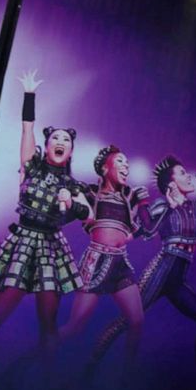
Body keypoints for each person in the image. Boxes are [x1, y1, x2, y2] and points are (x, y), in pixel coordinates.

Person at [0, 71, 90, 382]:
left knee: (48, 324)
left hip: (51, 249)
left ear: (71, 150)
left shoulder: (74, 183)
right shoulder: (30, 166)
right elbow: (27, 128)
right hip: (23, 242)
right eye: (55, 137)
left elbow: (87, 213)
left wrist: (73, 203)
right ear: (47, 144)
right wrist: (29, 95)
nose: (59, 142)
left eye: (65, 140)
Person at [88, 155, 196, 373]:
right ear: (171, 183)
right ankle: (89, 367)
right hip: (161, 272)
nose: (189, 176)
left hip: (177, 280)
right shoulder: (162, 205)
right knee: (126, 322)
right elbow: (142, 230)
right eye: (182, 173)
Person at [58, 146, 152, 365]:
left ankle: (124, 379)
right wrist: (69, 197)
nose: (126, 166)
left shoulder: (129, 197)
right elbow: (70, 214)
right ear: (104, 168)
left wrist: (144, 204)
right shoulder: (91, 193)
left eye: (127, 163)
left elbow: (145, 228)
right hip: (97, 261)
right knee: (75, 327)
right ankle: (30, 358)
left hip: (121, 262)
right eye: (120, 161)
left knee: (137, 321)